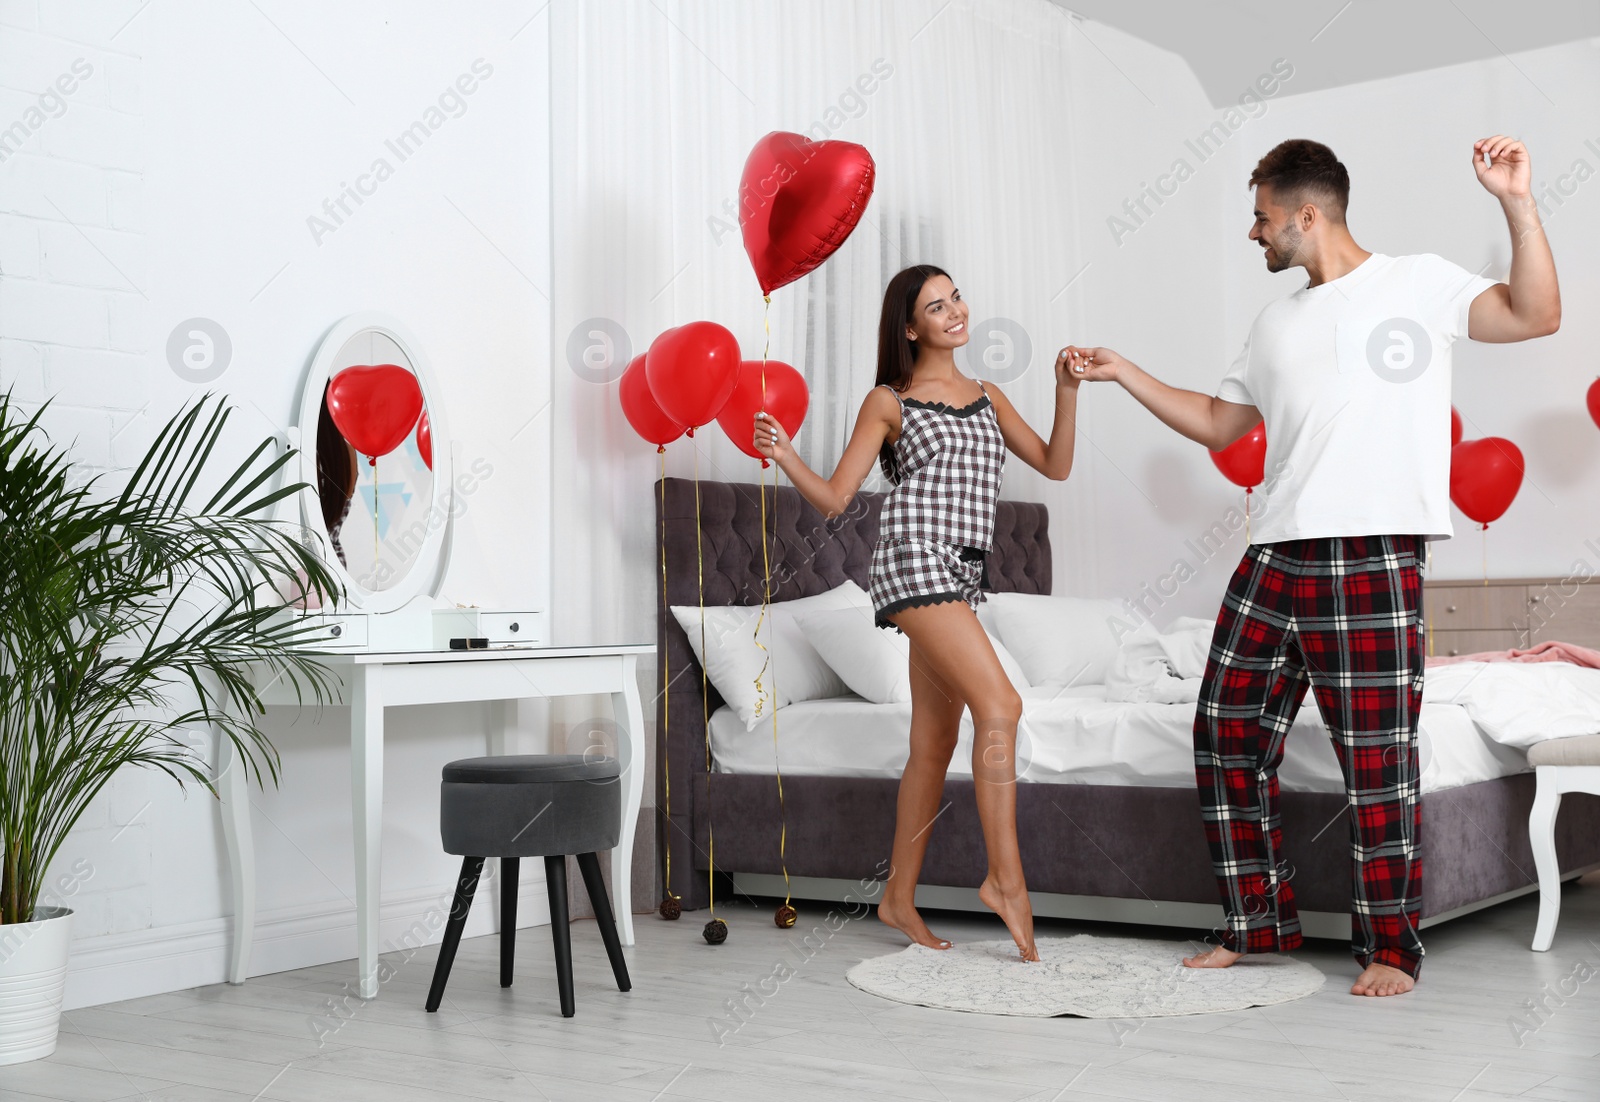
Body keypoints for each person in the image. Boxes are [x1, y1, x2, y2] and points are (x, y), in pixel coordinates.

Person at [1066, 136, 1560, 996]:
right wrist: (1124, 373)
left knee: (1375, 757)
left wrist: (1515, 200)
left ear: (1306, 214)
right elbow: (1223, 424)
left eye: (1260, 217)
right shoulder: (1275, 320)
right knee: (1224, 733)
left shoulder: (1417, 283)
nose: (1251, 234)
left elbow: (1535, 315)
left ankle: (1391, 949)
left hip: (1372, 549)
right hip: (1274, 554)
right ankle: (1257, 926)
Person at [754, 265, 1081, 962]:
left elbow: (1055, 465)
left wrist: (1066, 389)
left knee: (933, 745)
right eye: (937, 306)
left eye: (957, 295)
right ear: (911, 327)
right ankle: (1005, 880)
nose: (956, 311)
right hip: (912, 558)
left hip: (961, 572)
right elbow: (839, 498)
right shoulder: (889, 401)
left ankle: (897, 897)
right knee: (1002, 706)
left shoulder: (988, 396)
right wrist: (785, 454)